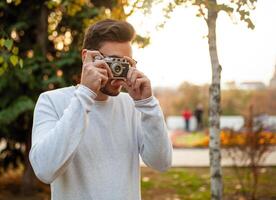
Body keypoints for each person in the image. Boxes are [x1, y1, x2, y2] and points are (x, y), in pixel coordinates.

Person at [29, 19, 172, 200]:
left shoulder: (133, 106)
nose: (118, 71)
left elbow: (161, 163)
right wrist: (85, 94)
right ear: (86, 57)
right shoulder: (51, 101)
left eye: (125, 63)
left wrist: (148, 104)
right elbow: (44, 169)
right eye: (113, 62)